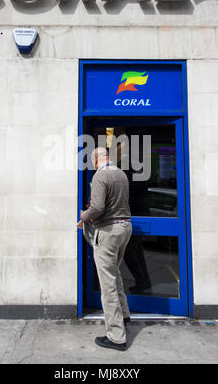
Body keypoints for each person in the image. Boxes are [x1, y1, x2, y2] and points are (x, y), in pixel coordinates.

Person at [81, 147, 132, 351]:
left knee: (107, 284)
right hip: (124, 228)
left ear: (96, 160)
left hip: (108, 231)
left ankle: (116, 337)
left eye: (92, 161)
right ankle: (125, 315)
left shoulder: (101, 176)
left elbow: (98, 208)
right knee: (115, 274)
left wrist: (84, 215)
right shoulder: (121, 174)